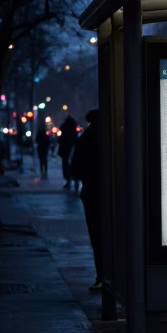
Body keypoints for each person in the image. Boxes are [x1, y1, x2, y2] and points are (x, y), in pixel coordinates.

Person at [71, 109, 104, 292]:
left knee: (97, 237)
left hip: (92, 194)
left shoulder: (86, 138)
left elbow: (75, 170)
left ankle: (101, 275)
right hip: (116, 195)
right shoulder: (118, 136)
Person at [58, 114, 79, 190]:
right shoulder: (73, 130)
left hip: (66, 151)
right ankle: (75, 182)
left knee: (67, 167)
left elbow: (61, 141)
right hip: (72, 150)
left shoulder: (64, 129)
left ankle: (68, 181)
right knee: (74, 167)